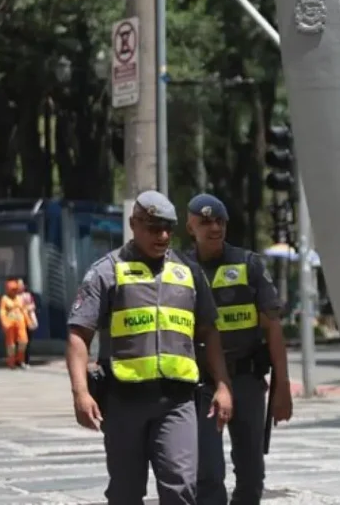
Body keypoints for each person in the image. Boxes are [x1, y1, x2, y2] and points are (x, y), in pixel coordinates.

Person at [65, 190, 235, 505]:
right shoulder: (106, 271)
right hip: (123, 401)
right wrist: (80, 392)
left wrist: (223, 385)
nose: (163, 235)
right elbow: (79, 333)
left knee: (181, 487)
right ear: (134, 224)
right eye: (154, 227)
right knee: (126, 492)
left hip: (178, 401)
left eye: (168, 227)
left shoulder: (189, 273)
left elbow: (210, 332)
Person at [183, 194, 294, 505]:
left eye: (220, 221)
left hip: (246, 380)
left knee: (251, 473)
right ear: (191, 227)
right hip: (203, 383)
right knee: (207, 472)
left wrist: (282, 388)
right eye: (205, 222)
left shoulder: (248, 264)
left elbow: (273, 329)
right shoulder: (181, 268)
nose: (214, 227)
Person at [0, 278, 30, 369]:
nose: (14, 291)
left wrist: (28, 321)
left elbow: (24, 310)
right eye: (12, 289)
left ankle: (20, 360)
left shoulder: (19, 298)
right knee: (11, 344)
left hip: (20, 322)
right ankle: (11, 362)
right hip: (10, 324)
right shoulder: (4, 299)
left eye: (16, 289)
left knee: (23, 341)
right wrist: (4, 322)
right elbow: (2, 311)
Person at [17, 278, 37, 365]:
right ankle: (19, 360)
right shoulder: (14, 296)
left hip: (28, 321)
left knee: (27, 342)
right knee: (19, 342)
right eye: (18, 285)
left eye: (21, 285)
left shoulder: (28, 295)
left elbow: (33, 306)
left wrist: (27, 308)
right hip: (18, 321)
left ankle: (26, 360)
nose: (20, 287)